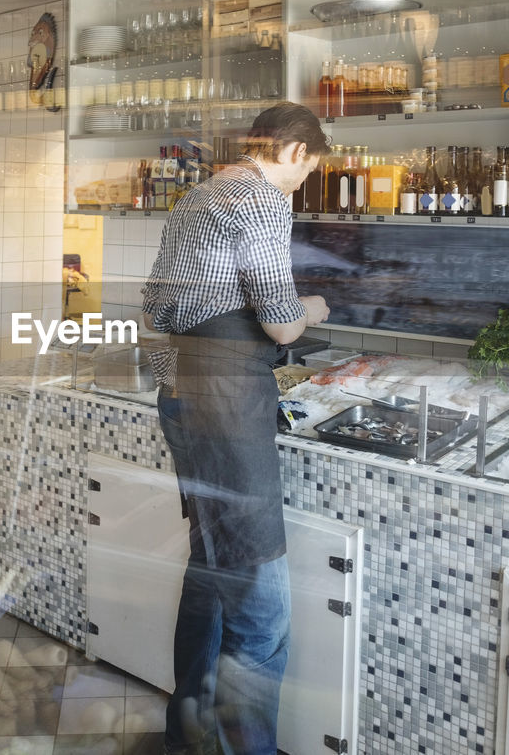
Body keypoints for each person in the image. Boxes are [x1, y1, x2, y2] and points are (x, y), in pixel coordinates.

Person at [141, 102, 332, 755]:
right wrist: (312, 307)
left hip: (181, 392)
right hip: (227, 405)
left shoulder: (196, 196)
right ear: (295, 151)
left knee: (209, 573)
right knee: (263, 613)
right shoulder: (260, 199)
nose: (303, 184)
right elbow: (280, 321)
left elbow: (156, 305)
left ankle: (187, 736)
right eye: (308, 171)